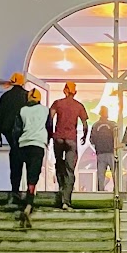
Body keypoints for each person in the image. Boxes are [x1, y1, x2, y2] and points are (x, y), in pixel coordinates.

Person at [14, 87, 52, 226]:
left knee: (23, 171)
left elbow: (17, 129)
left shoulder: (22, 110)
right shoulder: (45, 110)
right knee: (33, 175)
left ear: (29, 98)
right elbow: (49, 127)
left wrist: (16, 143)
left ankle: (20, 197)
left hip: (24, 144)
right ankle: (29, 202)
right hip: (38, 144)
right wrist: (47, 141)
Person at [48, 81, 89, 209]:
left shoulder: (57, 103)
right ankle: (66, 200)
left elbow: (50, 119)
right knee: (70, 170)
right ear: (74, 92)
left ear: (65, 91)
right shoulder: (79, 106)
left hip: (59, 138)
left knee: (59, 163)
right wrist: (84, 136)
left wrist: (50, 134)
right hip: (71, 140)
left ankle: (61, 188)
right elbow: (85, 124)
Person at [0, 73, 30, 205]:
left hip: (9, 133)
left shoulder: (5, 96)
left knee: (15, 160)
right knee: (28, 161)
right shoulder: (27, 96)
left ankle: (15, 189)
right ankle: (28, 192)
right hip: (25, 134)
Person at [91, 106, 117, 192]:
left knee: (101, 174)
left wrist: (97, 146)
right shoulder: (113, 124)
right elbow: (116, 137)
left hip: (101, 153)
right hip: (110, 152)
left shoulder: (96, 125)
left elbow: (92, 139)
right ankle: (116, 190)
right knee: (115, 173)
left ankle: (101, 191)